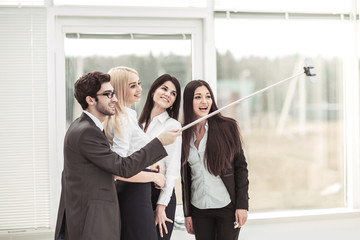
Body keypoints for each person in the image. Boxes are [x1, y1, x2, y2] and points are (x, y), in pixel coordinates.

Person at [54, 71, 180, 240]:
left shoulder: (84, 126)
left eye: (113, 93)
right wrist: (159, 143)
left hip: (97, 211)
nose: (114, 99)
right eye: (107, 95)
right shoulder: (87, 132)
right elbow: (120, 167)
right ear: (90, 100)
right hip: (93, 217)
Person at [103, 66, 167, 240]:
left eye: (139, 84)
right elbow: (118, 171)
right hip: (133, 194)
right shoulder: (122, 119)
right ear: (120, 88)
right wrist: (154, 177)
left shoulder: (128, 115)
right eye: (132, 86)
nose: (139, 89)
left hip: (138, 191)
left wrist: (149, 167)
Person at [181, 80, 249, 240]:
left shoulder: (227, 127)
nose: (204, 101)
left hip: (227, 206)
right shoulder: (183, 134)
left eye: (208, 96)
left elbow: (241, 168)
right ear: (189, 101)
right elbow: (186, 178)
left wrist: (242, 205)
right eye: (198, 97)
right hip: (199, 208)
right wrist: (187, 214)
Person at [138, 74, 182, 239]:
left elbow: (172, 170)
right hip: (138, 191)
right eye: (164, 88)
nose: (168, 94)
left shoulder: (173, 126)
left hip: (160, 195)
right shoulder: (137, 124)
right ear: (153, 91)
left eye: (173, 93)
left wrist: (161, 205)